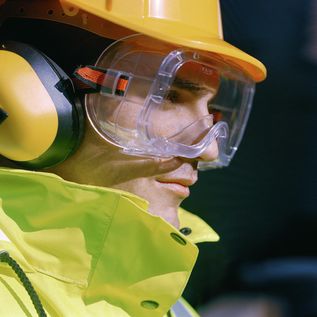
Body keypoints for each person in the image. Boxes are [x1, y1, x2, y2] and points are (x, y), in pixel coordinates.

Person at [0, 0, 266, 316]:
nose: (208, 149)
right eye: (169, 95)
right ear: (28, 91)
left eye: (212, 111)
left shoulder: (173, 309)